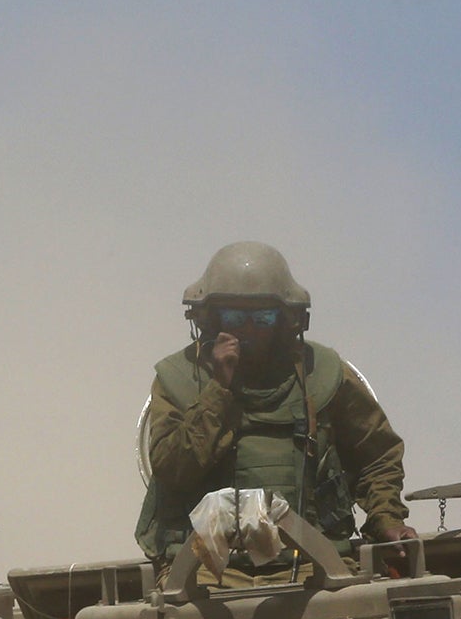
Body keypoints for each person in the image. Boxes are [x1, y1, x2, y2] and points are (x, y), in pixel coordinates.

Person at [136, 242, 412, 576]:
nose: (247, 329)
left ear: (286, 320)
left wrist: (386, 519)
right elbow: (171, 470)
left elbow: (377, 456)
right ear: (209, 320)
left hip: (316, 563)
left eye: (262, 317)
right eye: (234, 317)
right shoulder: (179, 380)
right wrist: (218, 390)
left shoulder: (322, 375)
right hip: (204, 568)